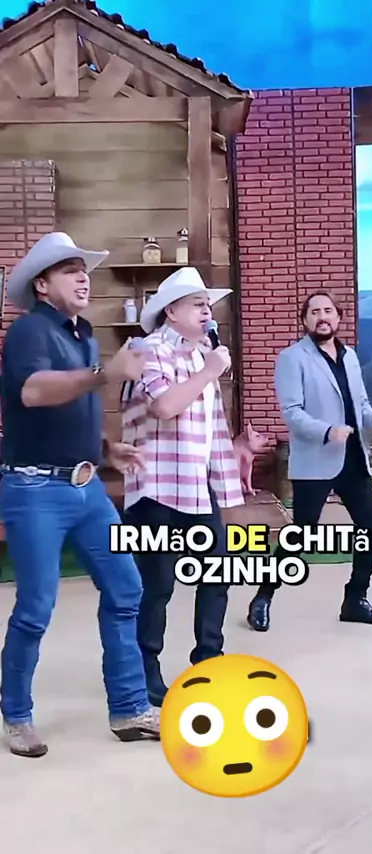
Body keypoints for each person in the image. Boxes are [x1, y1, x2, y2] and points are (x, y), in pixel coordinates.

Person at [0, 232, 161, 758]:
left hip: (87, 486)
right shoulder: (28, 330)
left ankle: (129, 708)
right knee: (36, 607)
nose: (82, 277)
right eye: (69, 270)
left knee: (126, 588)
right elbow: (33, 392)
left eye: (83, 269)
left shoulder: (84, 334)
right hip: (34, 488)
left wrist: (106, 446)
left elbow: (76, 406)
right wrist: (103, 374)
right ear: (42, 285)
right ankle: (16, 714)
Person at [122, 267, 244, 707]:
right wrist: (210, 371)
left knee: (218, 572)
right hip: (155, 488)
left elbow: (209, 429)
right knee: (157, 585)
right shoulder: (148, 349)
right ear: (171, 311)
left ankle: (208, 661)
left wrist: (226, 478)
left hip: (195, 486)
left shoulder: (201, 355)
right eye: (197, 304)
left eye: (207, 304)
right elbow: (164, 406)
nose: (207, 311)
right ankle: (144, 671)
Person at [247, 290, 372, 632]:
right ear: (304, 320)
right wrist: (327, 431)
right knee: (302, 535)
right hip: (315, 460)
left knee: (371, 526)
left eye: (328, 310)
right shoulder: (292, 358)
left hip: (353, 459)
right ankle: (263, 596)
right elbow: (292, 412)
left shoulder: (350, 356)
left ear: (338, 317)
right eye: (314, 312)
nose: (322, 316)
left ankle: (355, 599)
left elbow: (361, 405)